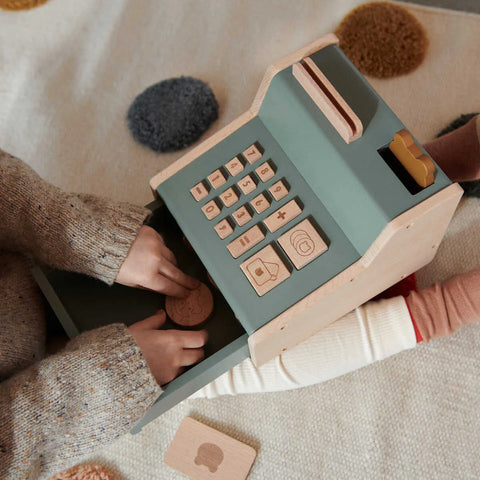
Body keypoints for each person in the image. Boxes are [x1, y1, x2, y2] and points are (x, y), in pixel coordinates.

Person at [0, 115, 479, 480]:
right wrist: (107, 380)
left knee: (235, 218)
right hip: (52, 395)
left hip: (39, 256)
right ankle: (447, 307)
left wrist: (93, 238)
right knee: (256, 353)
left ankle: (432, 168)